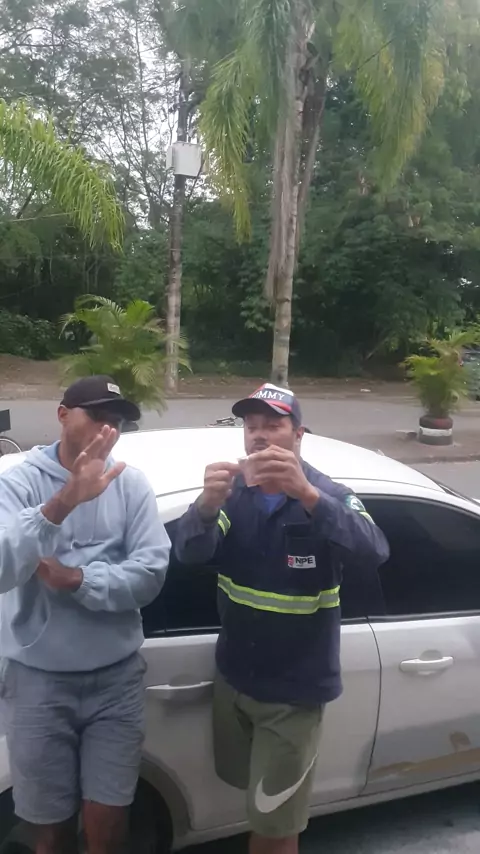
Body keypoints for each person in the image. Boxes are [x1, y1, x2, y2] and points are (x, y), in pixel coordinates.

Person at [175, 382, 389, 854]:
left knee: (275, 828)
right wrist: (205, 508)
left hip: (293, 693)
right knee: (253, 800)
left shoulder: (327, 494)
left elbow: (374, 550)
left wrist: (308, 495)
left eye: (273, 425)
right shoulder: (234, 494)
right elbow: (190, 554)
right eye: (251, 426)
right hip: (234, 677)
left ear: (298, 435)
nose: (260, 434)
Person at [0, 376, 171, 854]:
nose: (106, 430)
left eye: (116, 422)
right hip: (37, 682)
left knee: (109, 820)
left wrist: (79, 579)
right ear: (62, 415)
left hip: (115, 680)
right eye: (96, 416)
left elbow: (151, 574)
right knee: (49, 826)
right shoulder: (18, 482)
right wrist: (63, 502)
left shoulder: (130, 484)